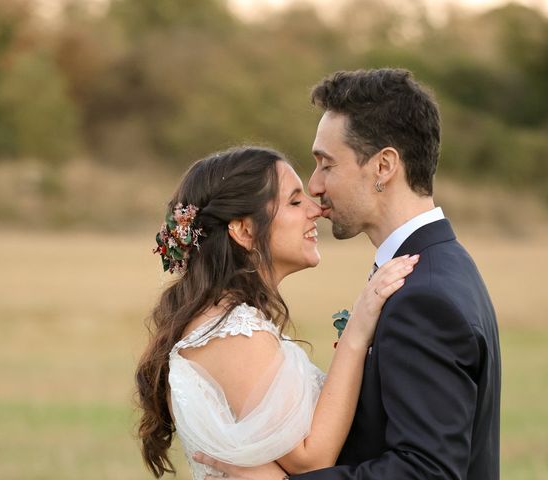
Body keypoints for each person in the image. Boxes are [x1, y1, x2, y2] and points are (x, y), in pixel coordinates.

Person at [195, 69, 501, 479]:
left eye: (326, 164)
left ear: (384, 166)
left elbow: (427, 472)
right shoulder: (439, 266)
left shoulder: (425, 297)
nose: (315, 186)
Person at [135, 146, 420, 479]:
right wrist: (357, 331)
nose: (316, 209)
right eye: (295, 202)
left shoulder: (230, 322)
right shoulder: (234, 334)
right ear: (243, 230)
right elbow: (311, 458)